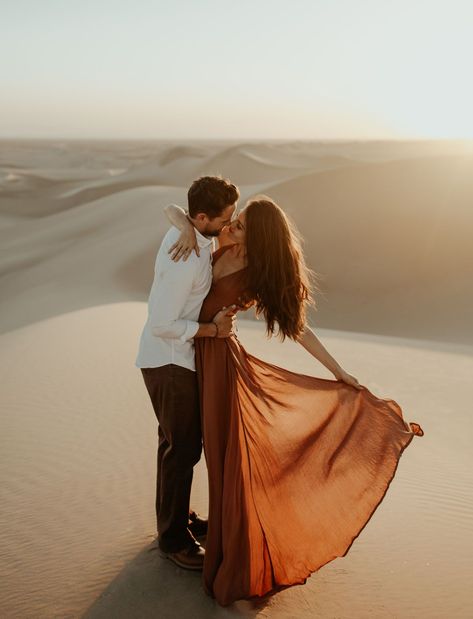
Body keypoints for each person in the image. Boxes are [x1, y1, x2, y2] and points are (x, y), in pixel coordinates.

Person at [165, 196, 424, 606]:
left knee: (219, 453)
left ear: (260, 239)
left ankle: (227, 541)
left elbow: (297, 328)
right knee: (182, 444)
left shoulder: (257, 275)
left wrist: (337, 371)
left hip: (218, 364)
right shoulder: (221, 247)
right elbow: (176, 209)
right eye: (237, 220)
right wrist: (182, 224)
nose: (232, 227)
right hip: (187, 352)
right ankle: (182, 529)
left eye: (242, 225)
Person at [135, 176, 240, 571]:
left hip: (171, 359)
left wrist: (181, 222)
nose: (230, 224)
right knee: (182, 449)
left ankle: (175, 521)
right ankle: (174, 541)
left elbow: (173, 209)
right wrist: (212, 330)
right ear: (202, 217)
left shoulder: (191, 234)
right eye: (225, 218)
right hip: (169, 360)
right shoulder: (188, 258)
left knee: (174, 446)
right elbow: (162, 322)